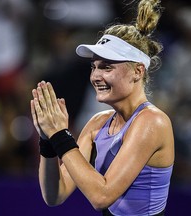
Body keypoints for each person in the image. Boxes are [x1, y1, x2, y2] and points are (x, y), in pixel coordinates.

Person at [30, 0, 174, 215]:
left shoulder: (153, 121)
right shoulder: (97, 123)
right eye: (94, 67)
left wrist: (60, 135)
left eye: (107, 67)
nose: (96, 76)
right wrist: (48, 141)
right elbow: (55, 194)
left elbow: (101, 196)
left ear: (138, 71)